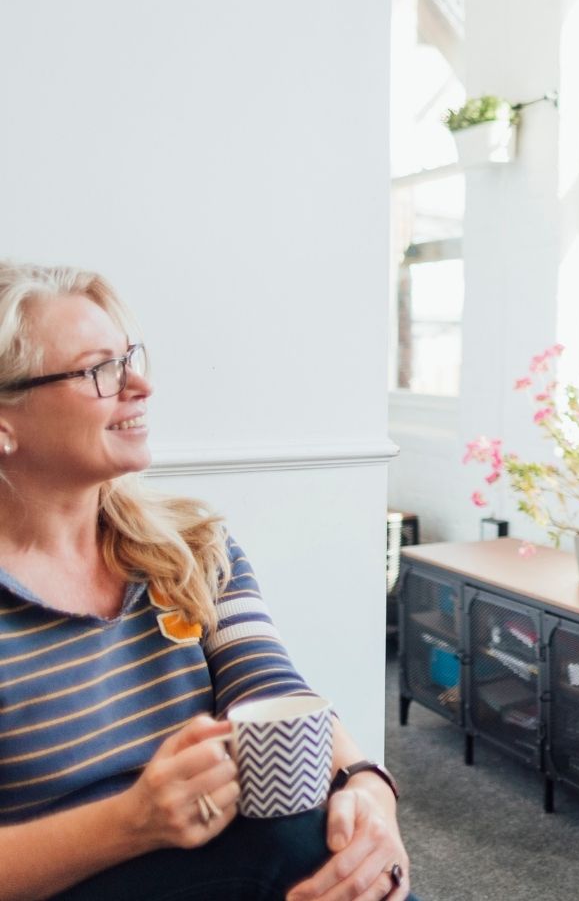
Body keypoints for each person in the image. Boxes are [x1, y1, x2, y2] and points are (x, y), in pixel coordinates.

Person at [0, 262, 412, 901]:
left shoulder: (191, 548)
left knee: (326, 842)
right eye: (98, 370)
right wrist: (130, 823)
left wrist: (368, 789)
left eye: (129, 358)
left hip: (222, 873)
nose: (141, 385)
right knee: (286, 848)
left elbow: (271, 692)